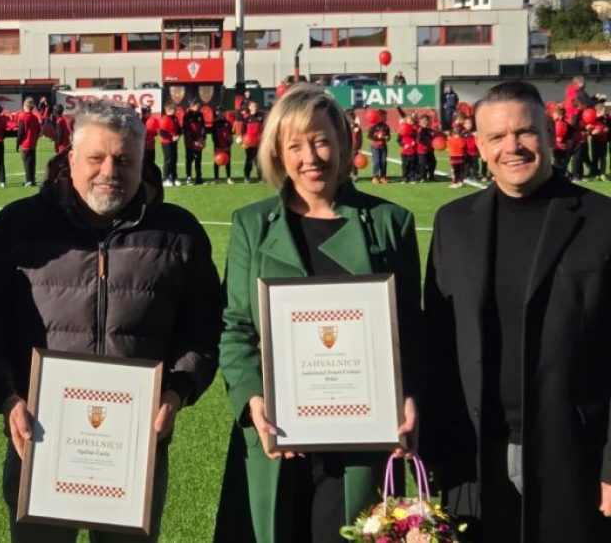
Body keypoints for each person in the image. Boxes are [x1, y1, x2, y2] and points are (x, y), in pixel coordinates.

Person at [0, 101, 224, 543]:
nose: (109, 171)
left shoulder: (179, 233)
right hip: (38, 440)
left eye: (124, 160)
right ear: (70, 157)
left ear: (144, 161)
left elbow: (205, 325)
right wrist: (5, 398)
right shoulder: (17, 226)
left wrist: (178, 391)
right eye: (96, 158)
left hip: (136, 447)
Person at [216, 83, 422, 543]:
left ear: (346, 143)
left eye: (321, 139)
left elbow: (410, 329)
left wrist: (408, 395)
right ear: (278, 154)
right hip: (276, 434)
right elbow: (236, 327)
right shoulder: (251, 225)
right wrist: (253, 399)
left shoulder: (390, 223)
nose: (310, 156)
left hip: (362, 437)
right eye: (295, 145)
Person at [420, 81, 611, 543]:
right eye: (497, 137)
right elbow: (438, 345)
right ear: (479, 146)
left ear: (547, 134)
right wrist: (432, 454)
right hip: (475, 454)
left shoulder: (603, 221)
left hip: (575, 451)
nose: (513, 147)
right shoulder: (453, 223)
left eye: (524, 133)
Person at [17, 98, 41, 187]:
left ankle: (28, 180)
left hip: (25, 143)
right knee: (32, 162)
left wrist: (18, 142)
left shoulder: (23, 117)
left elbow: (20, 132)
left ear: (25, 106)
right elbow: (38, 130)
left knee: (27, 162)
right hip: (33, 143)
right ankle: (32, 179)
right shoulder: (34, 117)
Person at [183, 98, 207, 185]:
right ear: (192, 105)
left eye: (200, 106)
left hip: (199, 141)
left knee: (198, 159)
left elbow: (203, 127)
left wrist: (203, 138)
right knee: (189, 159)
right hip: (190, 142)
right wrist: (193, 141)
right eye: (198, 105)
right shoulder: (186, 115)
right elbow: (186, 130)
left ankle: (198, 177)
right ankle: (189, 177)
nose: (200, 107)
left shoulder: (200, 114)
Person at [158, 102, 180, 187]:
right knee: (168, 160)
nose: (175, 111)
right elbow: (161, 132)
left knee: (174, 159)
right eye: (174, 109)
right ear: (168, 110)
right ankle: (165, 178)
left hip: (174, 142)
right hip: (166, 143)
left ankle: (174, 177)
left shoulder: (174, 118)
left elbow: (178, 128)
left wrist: (178, 135)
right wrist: (171, 138)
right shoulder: (164, 119)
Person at [241, 101, 264, 182]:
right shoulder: (246, 119)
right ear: (250, 108)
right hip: (249, 144)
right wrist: (243, 141)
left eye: (256, 107)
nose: (255, 108)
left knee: (259, 161)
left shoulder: (261, 118)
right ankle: (247, 176)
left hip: (259, 143)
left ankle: (260, 177)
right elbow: (243, 131)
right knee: (248, 160)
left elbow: (264, 129)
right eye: (253, 107)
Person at [211, 107, 234, 184]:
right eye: (218, 112)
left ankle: (228, 178)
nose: (220, 113)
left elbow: (230, 134)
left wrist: (229, 143)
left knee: (227, 161)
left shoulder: (227, 123)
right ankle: (216, 178)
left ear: (224, 113)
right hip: (218, 146)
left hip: (226, 145)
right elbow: (213, 136)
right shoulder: (214, 123)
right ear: (216, 113)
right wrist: (217, 144)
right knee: (216, 162)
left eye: (221, 112)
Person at [368, 111, 391, 184]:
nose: (385, 118)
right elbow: (369, 136)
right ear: (379, 117)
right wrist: (377, 137)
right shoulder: (373, 126)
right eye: (384, 116)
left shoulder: (386, 127)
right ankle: (375, 177)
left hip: (383, 146)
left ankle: (383, 176)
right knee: (377, 161)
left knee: (384, 161)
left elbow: (388, 136)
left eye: (386, 116)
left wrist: (387, 137)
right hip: (375, 146)